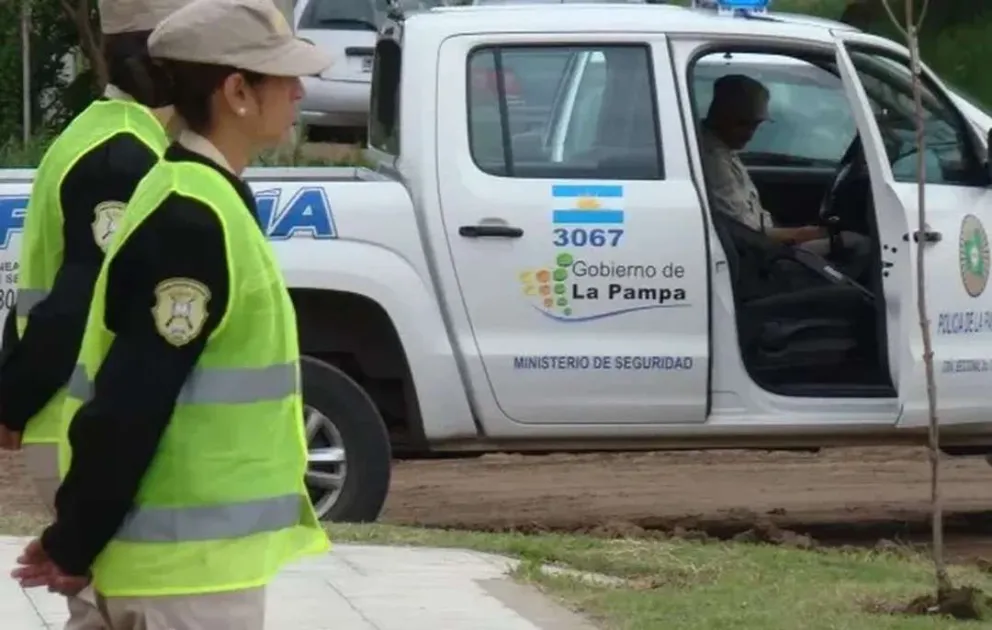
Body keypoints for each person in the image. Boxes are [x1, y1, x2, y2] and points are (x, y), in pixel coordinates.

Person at [11, 0, 332, 628]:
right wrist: (73, 539)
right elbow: (132, 400)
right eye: (284, 76)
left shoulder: (189, 193)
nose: (299, 92)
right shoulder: (192, 216)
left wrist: (76, 537)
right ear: (237, 91)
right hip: (185, 579)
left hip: (182, 567)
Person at [0, 0, 194, 627]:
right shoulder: (123, 156)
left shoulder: (99, 134)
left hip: (70, 416)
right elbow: (75, 302)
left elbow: (45, 287)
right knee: (116, 606)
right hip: (77, 418)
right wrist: (11, 403)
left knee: (101, 611)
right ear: (162, 66)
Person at [699, 74, 871, 278]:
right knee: (859, 244)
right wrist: (809, 233)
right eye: (743, 123)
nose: (750, 134)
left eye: (756, 125)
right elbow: (751, 236)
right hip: (760, 257)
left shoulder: (721, 149)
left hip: (762, 246)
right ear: (722, 114)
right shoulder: (715, 162)